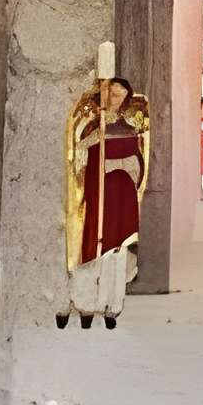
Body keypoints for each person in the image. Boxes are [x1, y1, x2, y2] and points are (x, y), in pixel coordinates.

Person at [60, 68, 151, 327]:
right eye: (112, 94)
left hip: (121, 191)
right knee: (94, 241)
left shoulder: (131, 122)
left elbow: (138, 155)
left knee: (117, 246)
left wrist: (123, 164)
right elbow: (79, 152)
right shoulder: (93, 121)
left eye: (121, 95)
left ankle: (111, 303)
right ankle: (86, 302)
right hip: (99, 190)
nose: (116, 99)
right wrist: (94, 140)